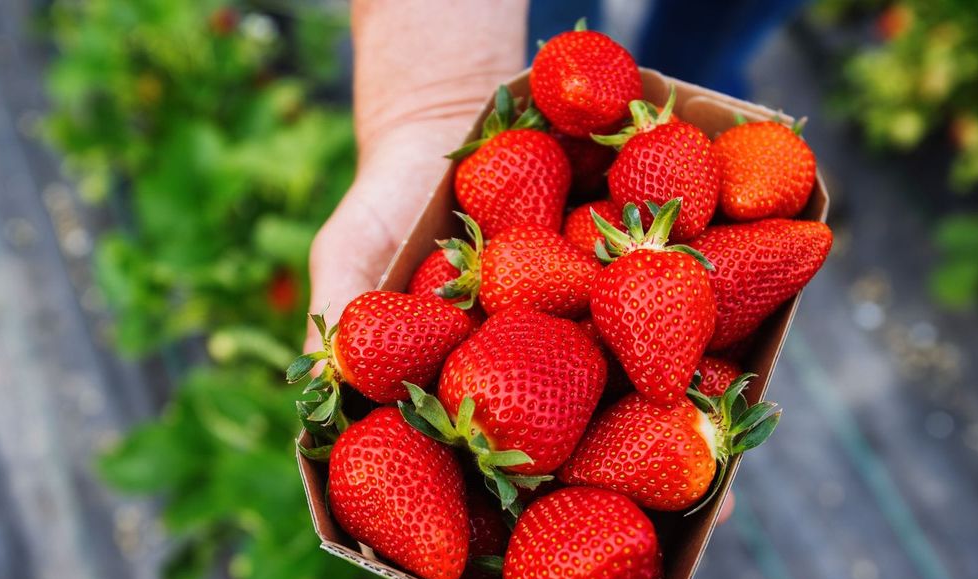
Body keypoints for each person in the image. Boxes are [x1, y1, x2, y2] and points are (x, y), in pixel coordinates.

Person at [306, 0, 743, 521]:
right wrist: (434, 107)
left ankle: (705, 74)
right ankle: (702, 75)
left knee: (720, 32)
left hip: (592, 271)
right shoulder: (581, 285)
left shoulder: (573, 280)